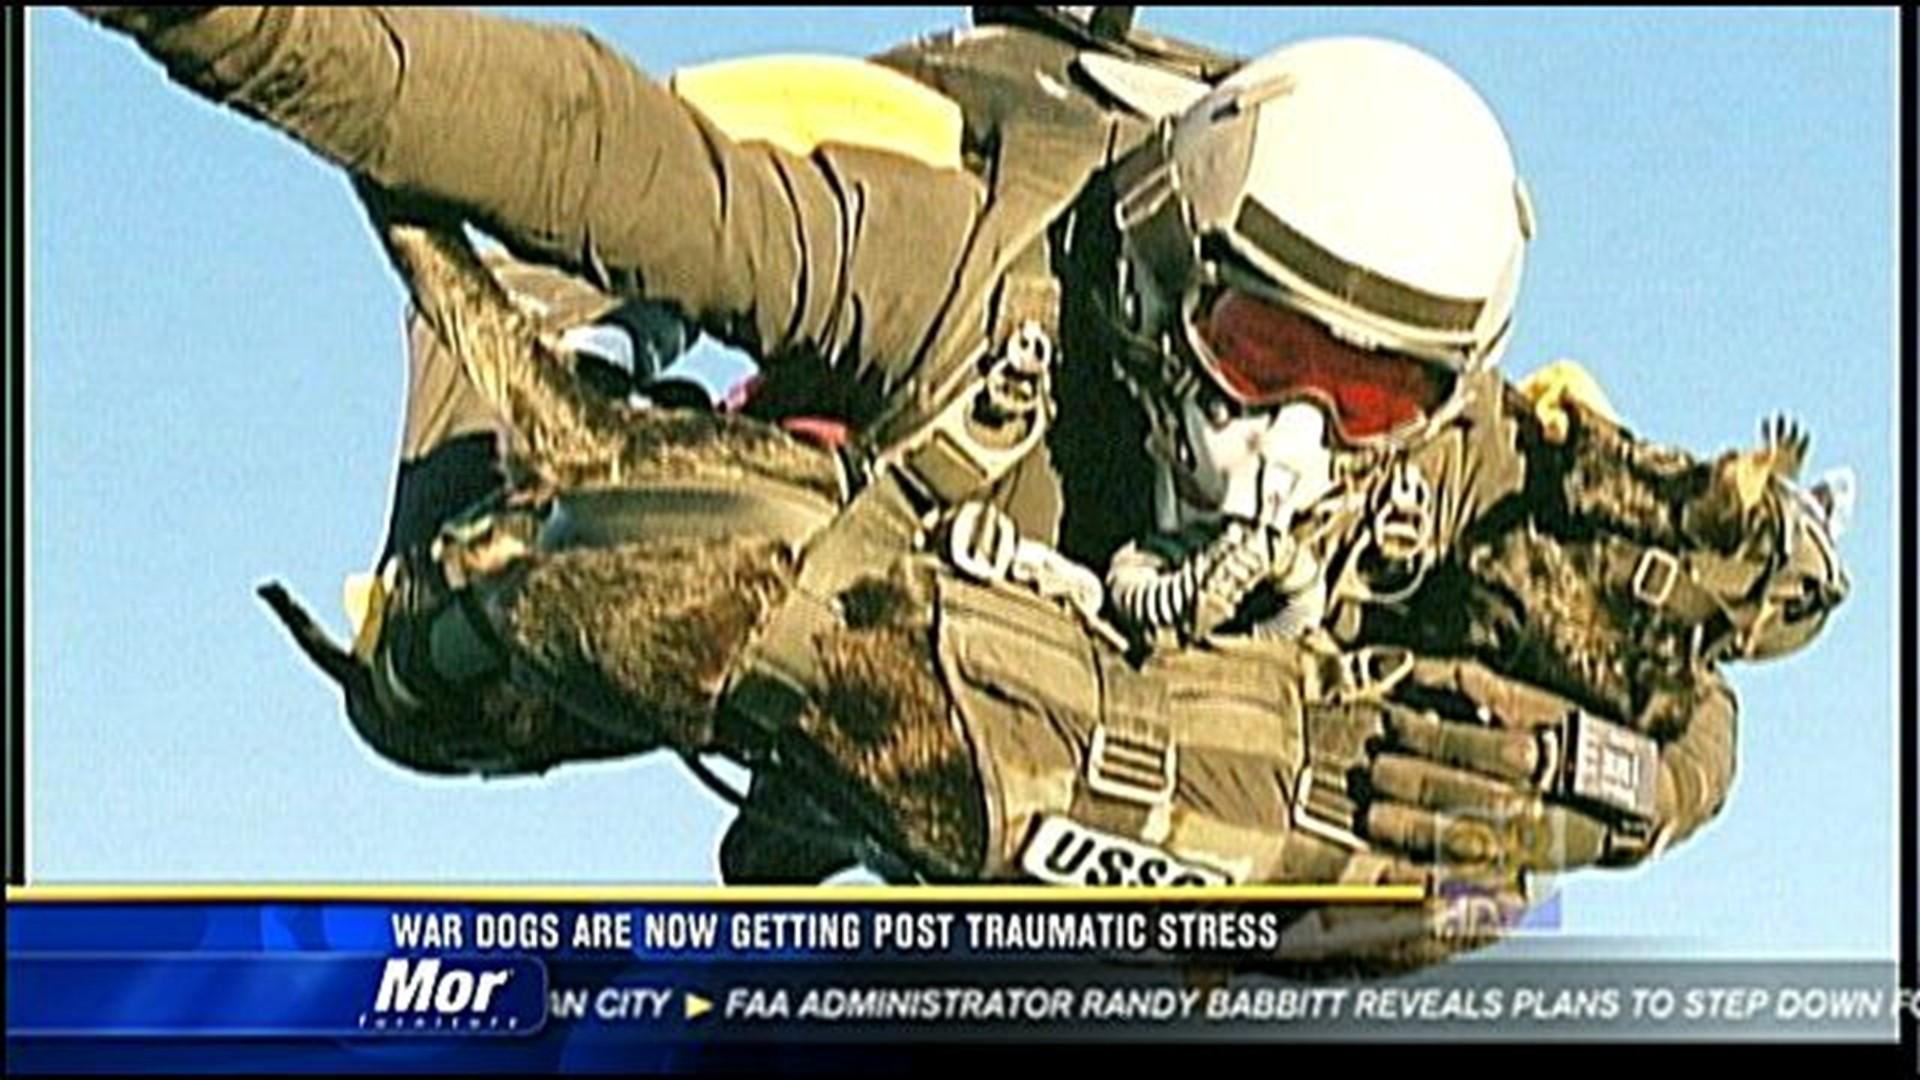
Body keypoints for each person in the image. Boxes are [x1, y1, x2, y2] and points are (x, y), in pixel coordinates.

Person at [73, 7, 1798, 964]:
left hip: (1174, 769)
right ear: (1170, 269)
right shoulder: (948, 269)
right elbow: (583, 141)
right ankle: (753, 662)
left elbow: (1694, 664)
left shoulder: (1461, 448)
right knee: (479, 660)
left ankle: (1064, 797)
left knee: (1493, 869)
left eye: (1369, 401)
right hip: (862, 532)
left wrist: (1638, 787)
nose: (1298, 442)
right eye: (1268, 361)